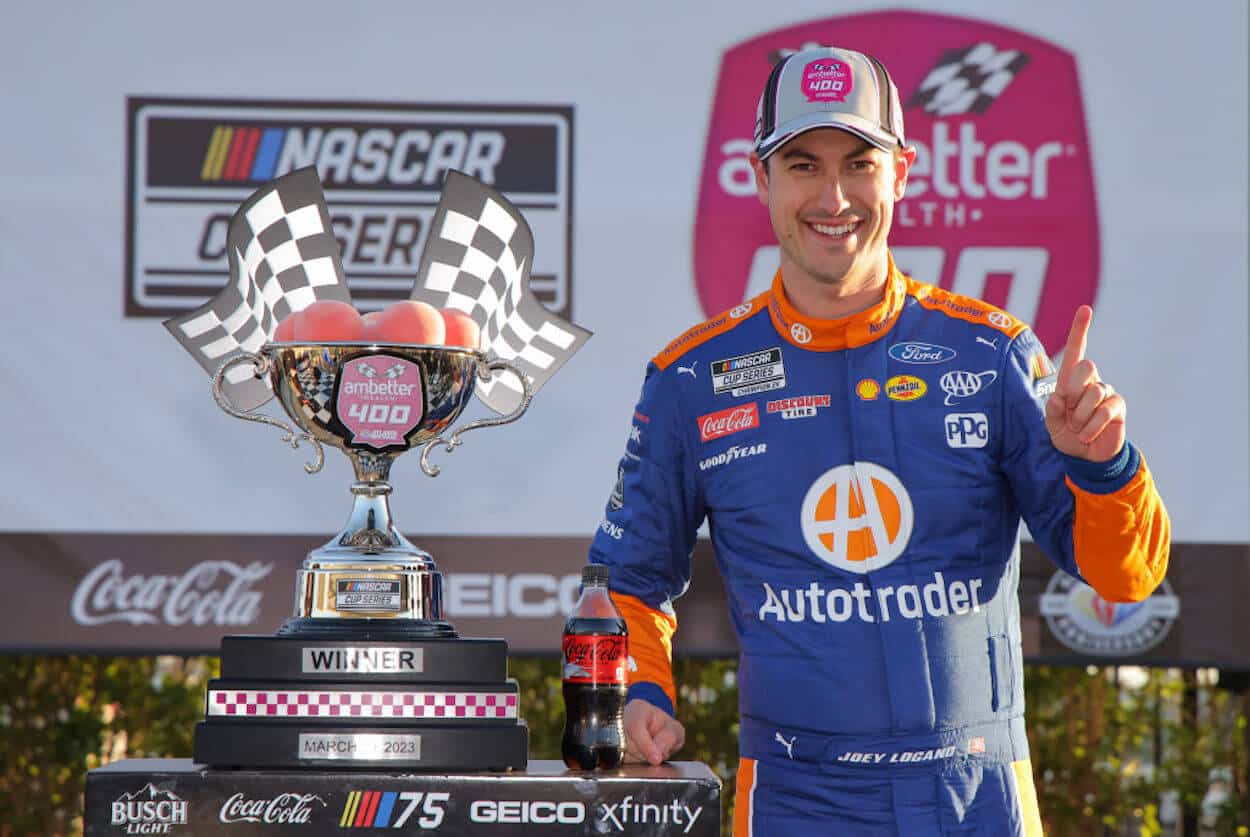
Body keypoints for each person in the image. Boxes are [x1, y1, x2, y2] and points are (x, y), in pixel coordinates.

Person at [587, 45, 1170, 835]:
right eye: (802, 164)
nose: (833, 196)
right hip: (794, 793)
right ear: (760, 179)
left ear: (902, 172)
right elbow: (625, 576)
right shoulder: (693, 378)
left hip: (980, 793)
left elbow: (1123, 577)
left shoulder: (993, 355)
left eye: (859, 163)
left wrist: (1105, 466)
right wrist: (639, 695)